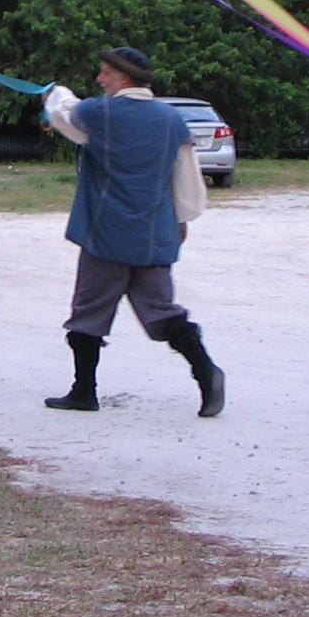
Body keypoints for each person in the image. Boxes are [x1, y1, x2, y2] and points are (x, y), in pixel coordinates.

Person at [40, 46, 222, 418]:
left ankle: (84, 391)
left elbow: (63, 114)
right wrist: (182, 218)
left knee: (88, 313)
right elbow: (185, 176)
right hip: (154, 234)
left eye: (105, 73)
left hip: (105, 234)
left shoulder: (99, 112)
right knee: (162, 312)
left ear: (123, 78)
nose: (99, 79)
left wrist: (54, 92)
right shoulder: (171, 120)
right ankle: (206, 373)